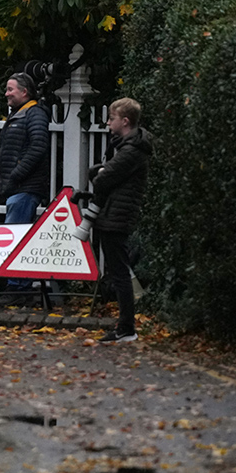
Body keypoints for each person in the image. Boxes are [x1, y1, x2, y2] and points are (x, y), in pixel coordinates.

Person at [86, 98, 152, 343]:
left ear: (125, 121)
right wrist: (102, 172)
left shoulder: (131, 151)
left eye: (111, 118)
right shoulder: (128, 148)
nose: (108, 123)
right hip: (115, 213)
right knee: (118, 271)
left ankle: (127, 328)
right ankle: (126, 326)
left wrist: (99, 172)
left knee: (119, 273)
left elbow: (103, 179)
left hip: (117, 215)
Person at [0, 72, 51, 225]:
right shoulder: (20, 114)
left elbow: (38, 146)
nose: (6, 93)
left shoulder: (34, 113)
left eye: (10, 89)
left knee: (15, 241)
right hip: (18, 188)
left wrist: (16, 174)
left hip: (25, 189)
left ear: (24, 92)